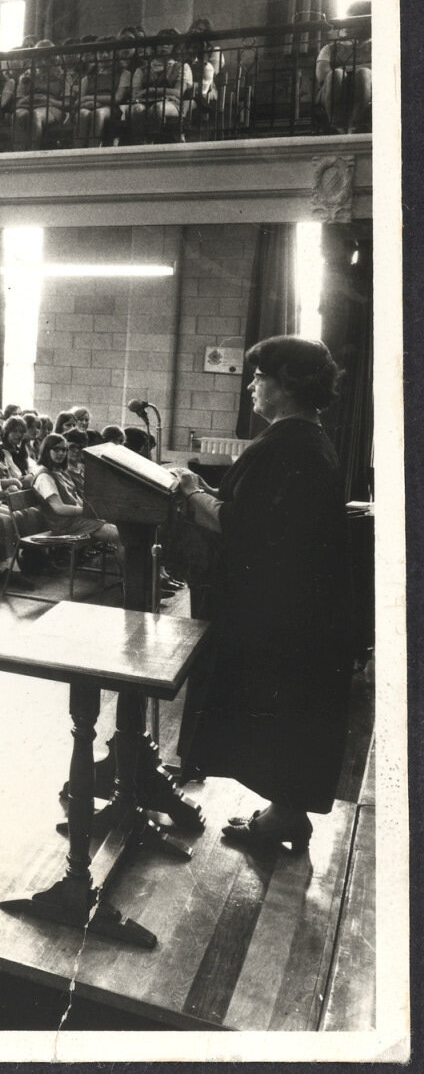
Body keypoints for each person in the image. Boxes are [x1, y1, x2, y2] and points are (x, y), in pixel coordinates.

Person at [175, 336, 354, 854]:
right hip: (298, 608)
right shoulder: (305, 439)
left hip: (282, 614)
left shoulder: (287, 443)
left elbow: (240, 524)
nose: (252, 385)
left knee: (280, 711)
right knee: (286, 712)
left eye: (259, 376)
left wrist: (191, 492)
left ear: (287, 385)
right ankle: (284, 812)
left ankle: (284, 817)